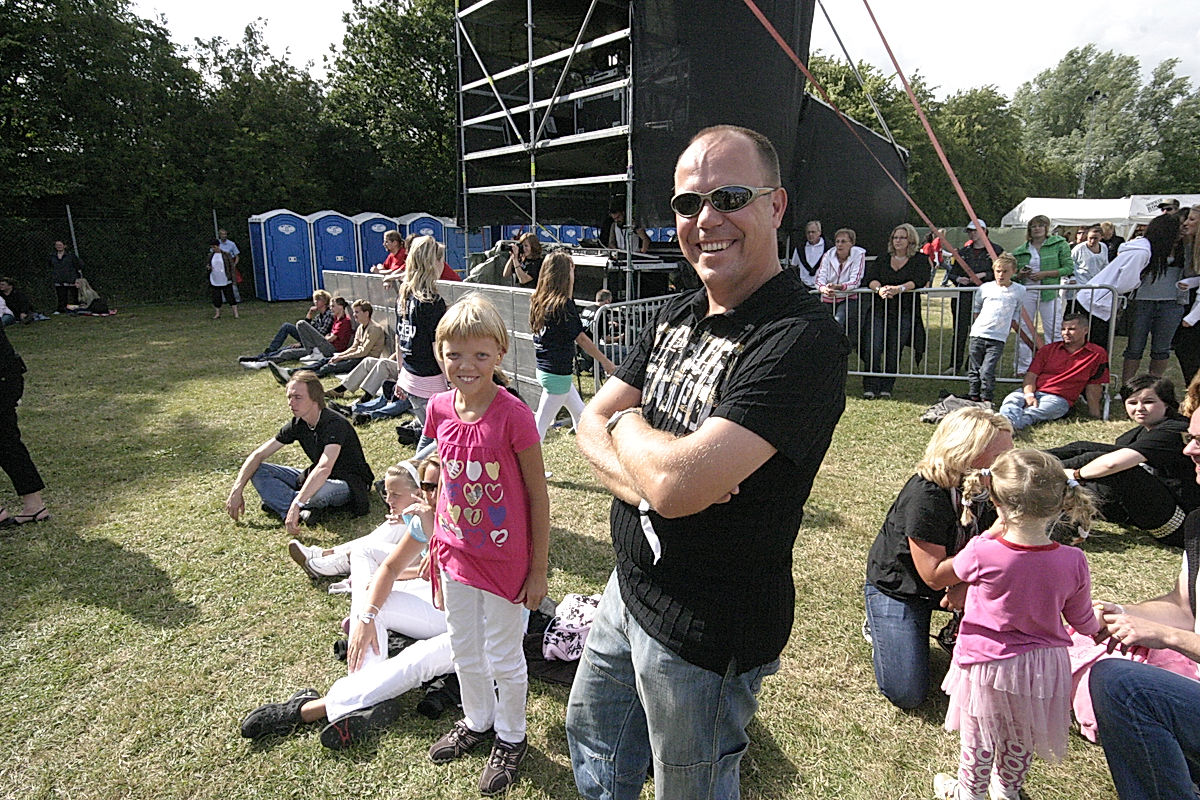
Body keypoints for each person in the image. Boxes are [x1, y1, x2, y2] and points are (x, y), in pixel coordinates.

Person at [567, 125, 849, 800]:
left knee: (688, 785)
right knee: (595, 739)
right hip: (627, 588)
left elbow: (669, 473)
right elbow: (592, 426)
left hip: (705, 630)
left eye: (729, 196)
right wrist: (652, 486)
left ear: (776, 207)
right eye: (688, 204)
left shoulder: (799, 340)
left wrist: (633, 430)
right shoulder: (682, 306)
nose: (706, 220)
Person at [422, 293, 550, 796]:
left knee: (503, 654)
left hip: (505, 562)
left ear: (500, 353)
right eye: (454, 354)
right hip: (454, 555)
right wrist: (435, 541)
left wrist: (537, 571)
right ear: (440, 354)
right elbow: (445, 477)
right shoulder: (437, 407)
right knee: (463, 646)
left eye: (479, 355)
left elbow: (538, 498)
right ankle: (477, 720)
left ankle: (511, 736)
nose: (466, 365)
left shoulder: (514, 415)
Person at [242, 459, 454, 749]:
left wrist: (433, 537)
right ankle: (369, 693)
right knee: (372, 589)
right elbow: (391, 570)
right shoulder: (425, 517)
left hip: (479, 624)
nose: (432, 494)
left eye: (440, 486)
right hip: (441, 608)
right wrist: (365, 618)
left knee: (417, 660)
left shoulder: (473, 521)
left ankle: (308, 710)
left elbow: (462, 586)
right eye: (427, 486)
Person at [932, 449, 1100, 800]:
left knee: (979, 734)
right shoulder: (1073, 560)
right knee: (1020, 735)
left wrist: (988, 538)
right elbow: (1083, 620)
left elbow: (952, 576)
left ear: (994, 500)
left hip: (987, 660)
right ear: (1060, 504)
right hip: (1042, 665)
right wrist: (1104, 621)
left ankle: (970, 792)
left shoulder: (982, 550)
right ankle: (1008, 790)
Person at [865, 407, 1013, 709]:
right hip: (905, 588)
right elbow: (933, 576)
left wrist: (970, 587)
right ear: (967, 453)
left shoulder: (994, 485)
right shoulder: (927, 494)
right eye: (999, 456)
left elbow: (1014, 556)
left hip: (962, 576)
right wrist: (993, 536)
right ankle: (877, 622)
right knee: (906, 692)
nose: (1009, 462)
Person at [1046, 375, 1198, 546]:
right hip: (1140, 513)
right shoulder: (1133, 436)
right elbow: (1085, 449)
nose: (1140, 408)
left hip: (1181, 526)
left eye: (1148, 401)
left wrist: (1074, 474)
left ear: (1167, 403)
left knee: (1107, 466)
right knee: (1085, 452)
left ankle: (1062, 523)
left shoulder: (1175, 430)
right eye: (1132, 403)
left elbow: (1112, 463)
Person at [226, 370, 374, 533]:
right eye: (289, 397)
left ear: (315, 398)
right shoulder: (298, 423)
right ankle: (296, 510)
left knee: (319, 491)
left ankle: (284, 503)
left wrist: (297, 501)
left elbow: (324, 468)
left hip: (347, 482)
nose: (291, 403)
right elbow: (258, 455)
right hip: (316, 476)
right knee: (258, 470)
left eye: (297, 397)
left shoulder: (334, 423)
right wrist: (236, 490)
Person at [529, 251, 617, 440]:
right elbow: (582, 339)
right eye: (571, 269)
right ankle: (530, 469)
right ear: (564, 274)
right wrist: (606, 362)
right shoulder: (563, 305)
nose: (574, 273)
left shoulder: (539, 300)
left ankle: (594, 450)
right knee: (539, 428)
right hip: (557, 373)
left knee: (581, 416)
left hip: (547, 369)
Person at [385, 236, 450, 451]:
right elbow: (437, 348)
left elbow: (399, 336)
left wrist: (401, 373)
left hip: (411, 377)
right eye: (441, 260)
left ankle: (414, 474)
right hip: (430, 382)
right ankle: (410, 475)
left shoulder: (404, 294)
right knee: (435, 437)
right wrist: (452, 380)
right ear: (433, 263)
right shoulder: (432, 302)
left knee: (429, 432)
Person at [997, 313, 1108, 431]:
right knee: (1010, 402)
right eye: (1063, 329)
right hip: (1032, 391)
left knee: (1031, 414)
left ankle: (1003, 428)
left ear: (1085, 330)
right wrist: (1029, 395)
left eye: (1071, 329)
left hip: (1059, 398)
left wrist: (1095, 414)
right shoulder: (1048, 350)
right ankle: (1005, 427)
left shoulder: (1097, 354)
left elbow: (1094, 385)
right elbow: (1031, 376)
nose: (1066, 333)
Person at [860, 222, 930, 399]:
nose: (898, 241)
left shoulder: (920, 260)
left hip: (904, 310)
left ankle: (887, 387)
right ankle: (870, 385)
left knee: (894, 348)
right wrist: (880, 290)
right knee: (873, 347)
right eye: (895, 237)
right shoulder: (883, 258)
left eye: (902, 237)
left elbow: (920, 279)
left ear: (910, 240)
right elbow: (870, 278)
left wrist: (899, 289)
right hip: (879, 309)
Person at [1120, 211, 1187, 385]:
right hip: (1142, 301)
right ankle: (1128, 385)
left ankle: (1155, 386)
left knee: (1161, 349)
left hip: (1171, 303)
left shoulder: (1186, 248)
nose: (1182, 229)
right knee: (1135, 347)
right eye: (1177, 227)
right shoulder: (1146, 247)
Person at [0, 323, 50, 526]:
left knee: (7, 443)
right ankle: (34, 505)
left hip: (4, 377)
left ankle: (33, 506)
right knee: (8, 443)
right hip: (7, 376)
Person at [1012, 215, 1072, 374]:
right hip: (1027, 291)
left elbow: (1068, 268)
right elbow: (1011, 274)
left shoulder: (1059, 244)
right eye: (1034, 226)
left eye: (1041, 225)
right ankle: (1023, 366)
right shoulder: (1020, 251)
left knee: (1053, 329)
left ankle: (1056, 365)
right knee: (1024, 328)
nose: (1037, 228)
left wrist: (1045, 274)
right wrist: (1020, 274)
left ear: (1047, 228)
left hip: (1049, 291)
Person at [271, 300, 385, 382]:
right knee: (324, 361)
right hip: (355, 357)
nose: (354, 315)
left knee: (328, 367)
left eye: (357, 312)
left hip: (364, 361)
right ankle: (290, 372)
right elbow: (354, 347)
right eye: (354, 312)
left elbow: (363, 352)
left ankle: (298, 378)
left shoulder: (374, 329)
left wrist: (341, 357)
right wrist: (340, 355)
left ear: (366, 313)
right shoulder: (361, 327)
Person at [966, 254, 1025, 405]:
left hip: (998, 338)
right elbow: (976, 307)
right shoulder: (985, 288)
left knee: (987, 370)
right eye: (998, 271)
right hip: (978, 334)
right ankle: (973, 395)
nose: (1001, 275)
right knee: (974, 368)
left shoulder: (1019, 290)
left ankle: (987, 397)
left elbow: (1017, 311)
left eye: (1005, 271)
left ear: (1013, 272)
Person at [947, 220, 1002, 373]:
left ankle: (973, 365)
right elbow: (952, 272)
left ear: (984, 230)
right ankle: (954, 364)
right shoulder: (963, 252)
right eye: (970, 231)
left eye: (975, 230)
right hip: (963, 296)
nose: (972, 233)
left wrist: (985, 275)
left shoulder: (996, 251)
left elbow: (1003, 271)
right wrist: (958, 279)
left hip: (986, 297)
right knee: (959, 330)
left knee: (981, 332)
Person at [240, 290, 337, 365]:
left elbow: (320, 333)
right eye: (314, 299)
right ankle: (265, 354)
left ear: (324, 301)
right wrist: (309, 314)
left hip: (316, 343)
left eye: (318, 300)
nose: (315, 302)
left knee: (286, 350)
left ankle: (262, 359)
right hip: (309, 340)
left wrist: (302, 341)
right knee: (287, 327)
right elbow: (307, 328)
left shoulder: (328, 314)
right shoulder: (318, 315)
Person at [815, 227, 866, 328]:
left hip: (847, 298)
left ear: (851, 243)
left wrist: (839, 287)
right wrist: (823, 288)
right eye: (837, 241)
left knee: (838, 321)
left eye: (843, 241)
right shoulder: (828, 255)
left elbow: (855, 280)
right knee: (823, 325)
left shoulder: (858, 255)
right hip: (827, 298)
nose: (839, 244)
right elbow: (819, 278)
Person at [1174, 205, 1200, 381]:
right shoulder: (1191, 244)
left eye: (1192, 219)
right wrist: (1192, 282)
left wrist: (1192, 317)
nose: (1186, 223)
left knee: (1187, 350)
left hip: (1196, 310)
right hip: (1193, 302)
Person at [789, 219, 830, 290]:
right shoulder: (800, 248)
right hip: (803, 287)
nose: (810, 235)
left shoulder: (829, 248)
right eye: (808, 232)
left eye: (813, 232)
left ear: (819, 232)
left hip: (823, 288)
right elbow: (793, 266)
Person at [1070, 224, 1110, 295]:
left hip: (1097, 283)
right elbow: (1069, 263)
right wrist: (1072, 277)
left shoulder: (1104, 247)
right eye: (1090, 238)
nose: (1092, 241)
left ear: (1101, 237)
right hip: (1080, 283)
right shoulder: (1079, 248)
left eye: (1095, 238)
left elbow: (1105, 264)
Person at [47, 240, 83, 313]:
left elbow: (79, 265)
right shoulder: (52, 256)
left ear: (64, 246)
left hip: (71, 278)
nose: (58, 247)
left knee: (74, 295)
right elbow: (50, 266)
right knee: (61, 295)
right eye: (57, 245)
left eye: (60, 245)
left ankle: (76, 309)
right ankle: (61, 309)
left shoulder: (71, 255)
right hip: (59, 279)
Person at [206, 238, 239, 319]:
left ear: (218, 246)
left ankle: (235, 313)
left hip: (225, 279)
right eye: (212, 247)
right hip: (215, 279)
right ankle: (217, 313)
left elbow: (231, 267)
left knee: (230, 296)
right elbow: (208, 265)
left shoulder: (226, 255)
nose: (213, 249)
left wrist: (232, 278)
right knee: (216, 297)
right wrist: (208, 268)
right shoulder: (210, 256)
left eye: (215, 247)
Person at [218, 229, 242, 304]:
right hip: (221, 265)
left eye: (225, 234)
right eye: (222, 234)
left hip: (230, 264)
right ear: (219, 235)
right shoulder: (217, 244)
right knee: (221, 282)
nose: (224, 236)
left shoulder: (231, 244)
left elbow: (237, 256)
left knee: (233, 282)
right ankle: (224, 299)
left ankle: (237, 299)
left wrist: (234, 265)